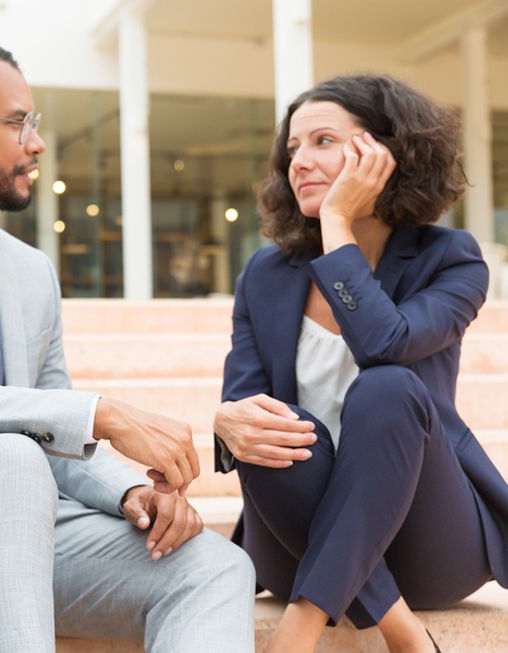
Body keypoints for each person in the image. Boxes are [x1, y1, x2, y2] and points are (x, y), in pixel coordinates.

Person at [0, 37, 255, 653]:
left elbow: (50, 417)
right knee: (6, 458)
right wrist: (101, 413)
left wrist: (130, 492)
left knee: (214, 567)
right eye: (18, 121)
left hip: (32, 536)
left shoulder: (30, 271)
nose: (37, 142)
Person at [213, 74, 508, 653]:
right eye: (292, 148)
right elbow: (245, 399)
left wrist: (338, 226)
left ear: (386, 152)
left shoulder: (452, 260)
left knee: (388, 388)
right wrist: (225, 422)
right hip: (293, 534)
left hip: (427, 539)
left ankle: (299, 628)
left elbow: (384, 343)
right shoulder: (265, 276)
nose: (299, 161)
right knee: (270, 421)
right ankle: (403, 632)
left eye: (322, 141)